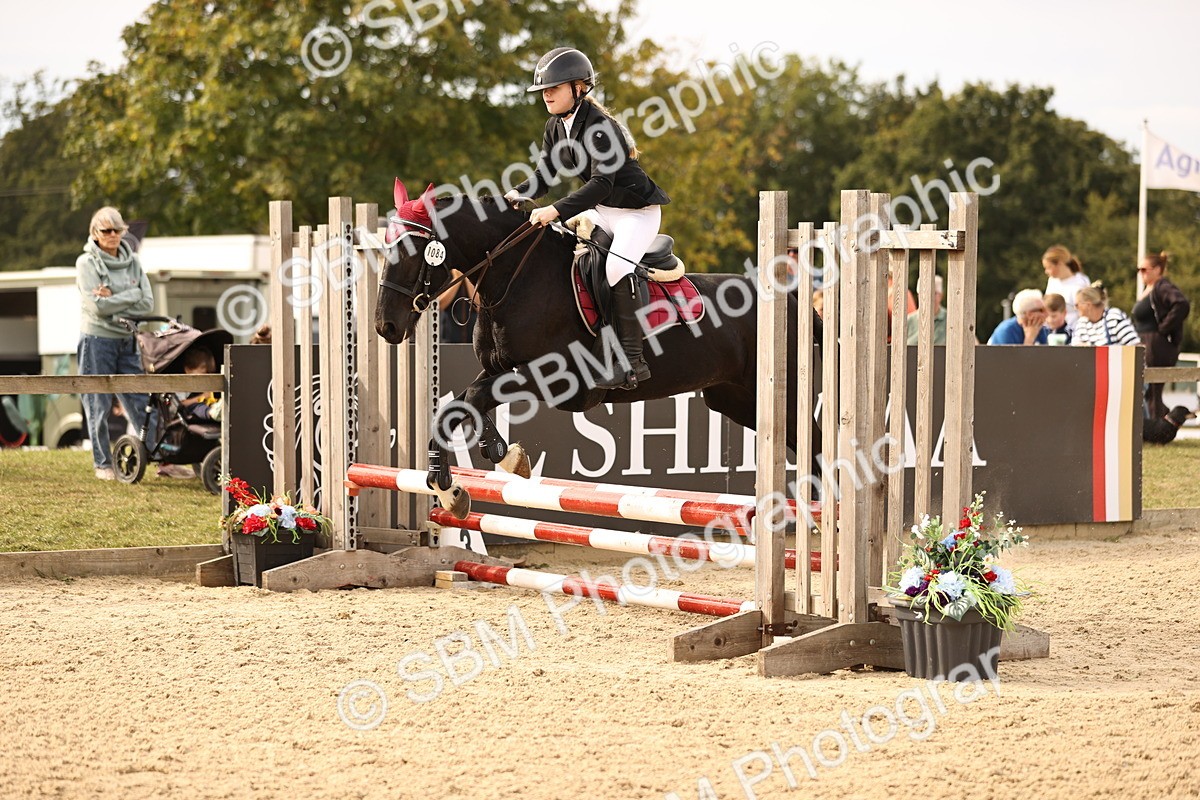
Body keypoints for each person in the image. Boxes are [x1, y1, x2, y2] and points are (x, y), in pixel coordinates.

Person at [504, 47, 670, 391]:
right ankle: (596, 343)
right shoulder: (555, 126)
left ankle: (632, 362)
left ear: (579, 88)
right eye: (543, 90)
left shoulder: (600, 128)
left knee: (615, 268)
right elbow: (544, 174)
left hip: (635, 215)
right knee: (573, 260)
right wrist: (517, 194)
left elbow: (601, 185)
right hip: (604, 212)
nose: (546, 94)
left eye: (554, 87)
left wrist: (556, 209)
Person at [76, 206, 154, 480]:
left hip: (127, 338)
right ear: (95, 234)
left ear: (123, 232)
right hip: (97, 339)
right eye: (105, 230)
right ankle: (102, 463)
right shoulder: (86, 263)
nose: (111, 235)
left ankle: (159, 458)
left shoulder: (133, 261)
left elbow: (147, 301)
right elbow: (97, 308)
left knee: (140, 400)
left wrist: (114, 297)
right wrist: (129, 294)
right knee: (98, 403)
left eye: (117, 230)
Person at [1132, 251, 1191, 419]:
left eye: (1145, 269)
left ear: (1158, 269)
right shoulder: (1149, 289)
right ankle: (1162, 423)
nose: (1141, 273)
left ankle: (1157, 428)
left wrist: (1164, 328)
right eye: (1139, 270)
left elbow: (1181, 304)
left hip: (1156, 344)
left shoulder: (1162, 286)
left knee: (1152, 388)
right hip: (1144, 340)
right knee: (1147, 389)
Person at [1072, 283, 1140, 347]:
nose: (1075, 308)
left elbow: (1134, 345)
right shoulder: (1081, 323)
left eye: (1077, 305)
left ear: (1088, 305)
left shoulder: (1114, 317)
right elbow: (1074, 348)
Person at [1042, 245, 1091, 330]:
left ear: (1060, 263)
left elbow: (1085, 312)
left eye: (1049, 267)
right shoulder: (1052, 281)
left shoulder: (1081, 282)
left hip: (1074, 331)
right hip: (1052, 330)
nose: (1046, 271)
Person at [906, 274, 947, 345]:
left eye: (934, 293)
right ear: (918, 295)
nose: (929, 296)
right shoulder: (908, 321)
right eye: (924, 292)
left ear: (941, 296)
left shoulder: (951, 320)